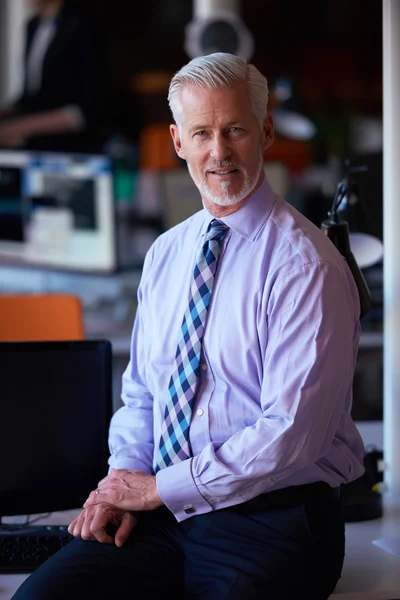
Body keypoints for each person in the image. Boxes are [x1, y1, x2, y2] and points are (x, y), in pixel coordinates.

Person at [12, 52, 365, 600]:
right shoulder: (167, 254)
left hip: (273, 521)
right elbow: (142, 397)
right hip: (164, 512)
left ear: (266, 131)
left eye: (235, 130)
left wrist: (158, 490)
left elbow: (291, 434)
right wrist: (118, 488)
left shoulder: (306, 265)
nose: (218, 152)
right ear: (178, 142)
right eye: (202, 133)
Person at [0, 0, 106, 153]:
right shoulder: (33, 26)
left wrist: (21, 127)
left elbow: (87, 109)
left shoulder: (83, 25)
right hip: (34, 144)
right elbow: (34, 96)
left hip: (70, 148)